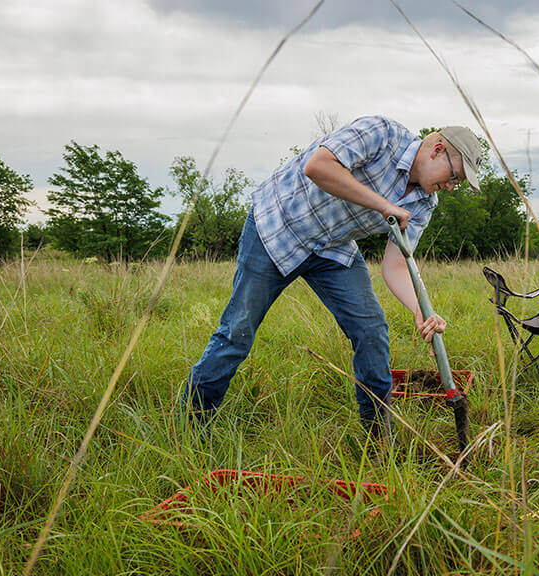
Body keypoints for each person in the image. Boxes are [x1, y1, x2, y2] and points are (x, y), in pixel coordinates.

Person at [181, 115, 483, 437]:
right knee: (236, 333)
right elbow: (318, 167)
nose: (452, 187)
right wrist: (383, 205)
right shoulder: (381, 133)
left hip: (331, 247)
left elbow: (395, 265)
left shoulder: (425, 202)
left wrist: (422, 312)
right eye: (455, 176)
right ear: (437, 150)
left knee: (371, 331)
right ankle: (190, 427)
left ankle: (377, 439)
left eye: (458, 183)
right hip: (275, 229)